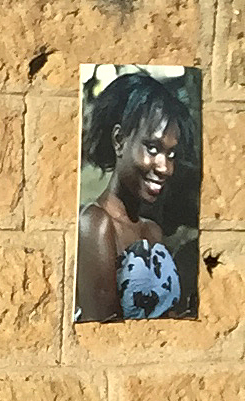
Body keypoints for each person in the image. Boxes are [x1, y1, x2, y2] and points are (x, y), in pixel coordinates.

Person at [75, 72, 195, 321]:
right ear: (119, 140)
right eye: (152, 148)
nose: (165, 167)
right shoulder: (95, 224)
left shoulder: (152, 231)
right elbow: (101, 331)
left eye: (171, 154)